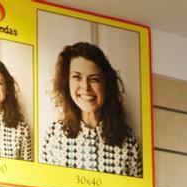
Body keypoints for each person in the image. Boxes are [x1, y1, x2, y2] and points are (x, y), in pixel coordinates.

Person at [40, 42, 141, 178]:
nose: (85, 87)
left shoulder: (129, 146)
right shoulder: (54, 137)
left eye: (94, 79)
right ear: (67, 83)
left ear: (107, 86)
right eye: (77, 77)